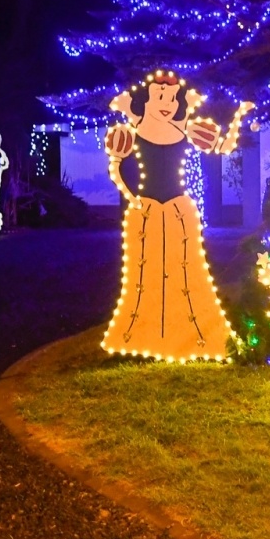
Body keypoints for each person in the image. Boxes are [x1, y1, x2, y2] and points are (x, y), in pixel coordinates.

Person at [100, 69, 251, 361]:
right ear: (146, 99)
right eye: (159, 95)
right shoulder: (131, 133)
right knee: (144, 274)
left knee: (186, 271)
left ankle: (191, 332)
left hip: (180, 211)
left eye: (171, 96)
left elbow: (223, 148)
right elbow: (116, 169)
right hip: (145, 213)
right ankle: (141, 335)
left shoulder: (186, 131)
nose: (166, 101)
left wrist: (238, 117)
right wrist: (133, 199)